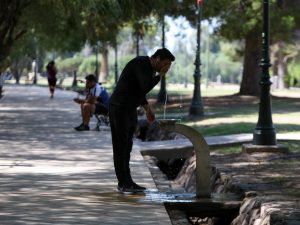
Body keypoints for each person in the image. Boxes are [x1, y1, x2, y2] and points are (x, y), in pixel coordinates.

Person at [109, 48, 175, 193]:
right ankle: (123, 183)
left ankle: (128, 181)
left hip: (129, 108)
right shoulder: (140, 63)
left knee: (127, 145)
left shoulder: (149, 69)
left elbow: (139, 91)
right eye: (166, 64)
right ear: (157, 58)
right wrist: (160, 76)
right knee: (120, 146)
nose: (167, 68)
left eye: (169, 66)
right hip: (119, 107)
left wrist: (147, 109)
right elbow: (145, 86)